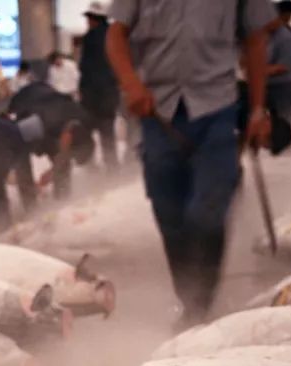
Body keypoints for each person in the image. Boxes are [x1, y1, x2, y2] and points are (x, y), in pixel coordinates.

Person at [107, 0, 273, 326]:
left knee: (207, 212)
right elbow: (115, 34)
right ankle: (188, 298)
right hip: (156, 111)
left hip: (217, 109)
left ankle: (201, 307)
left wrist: (257, 110)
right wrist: (131, 83)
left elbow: (255, 40)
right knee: (169, 213)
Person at [9, 81, 95, 198]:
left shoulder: (84, 119)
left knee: (61, 163)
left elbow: (65, 149)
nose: (69, 154)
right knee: (22, 159)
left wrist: (52, 172)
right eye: (71, 153)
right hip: (25, 101)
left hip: (48, 98)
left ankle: (62, 197)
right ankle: (30, 204)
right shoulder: (36, 122)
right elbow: (15, 143)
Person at [78, 1, 119, 169]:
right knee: (108, 133)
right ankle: (112, 168)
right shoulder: (114, 35)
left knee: (88, 133)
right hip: (110, 94)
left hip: (93, 96)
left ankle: (91, 168)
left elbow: (86, 67)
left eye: (89, 18)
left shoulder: (90, 37)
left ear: (95, 19)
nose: (88, 22)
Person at [266, 1, 291, 126]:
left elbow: (283, 67)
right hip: (271, 86)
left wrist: (256, 71)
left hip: (281, 87)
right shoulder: (270, 35)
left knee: (283, 124)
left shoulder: (284, 36)